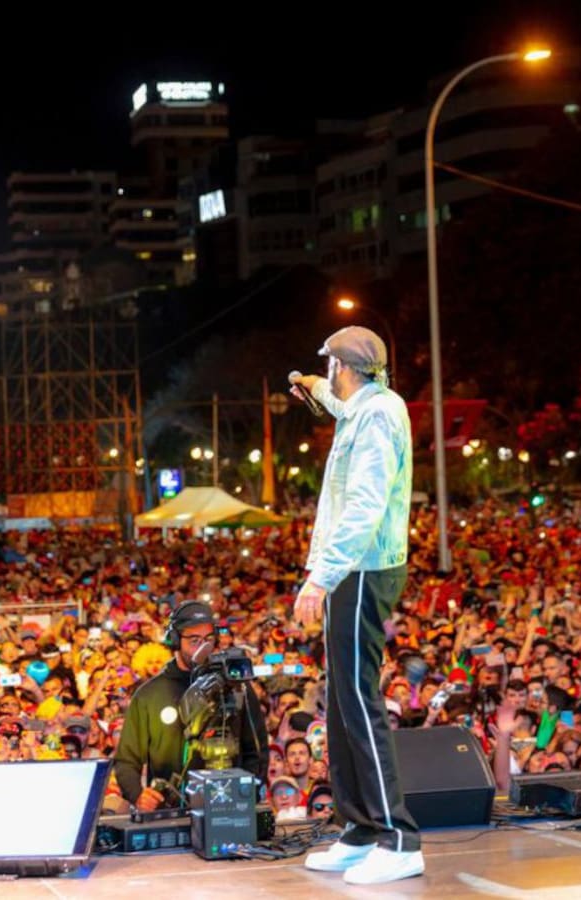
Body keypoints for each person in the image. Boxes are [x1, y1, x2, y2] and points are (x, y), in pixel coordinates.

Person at [290, 326, 423, 885]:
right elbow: (332, 398)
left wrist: (320, 579)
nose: (329, 376)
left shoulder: (376, 416)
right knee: (342, 701)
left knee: (360, 701)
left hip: (363, 567)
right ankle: (361, 828)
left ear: (346, 367)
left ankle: (398, 837)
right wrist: (309, 384)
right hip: (355, 569)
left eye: (329, 368)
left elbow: (366, 501)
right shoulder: (361, 406)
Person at [112, 600, 267, 811]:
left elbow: (256, 752)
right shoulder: (148, 695)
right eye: (194, 639)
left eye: (208, 639)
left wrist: (248, 794)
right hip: (170, 811)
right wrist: (137, 795)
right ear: (175, 641)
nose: (203, 646)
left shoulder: (237, 687)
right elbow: (126, 761)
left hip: (228, 809)